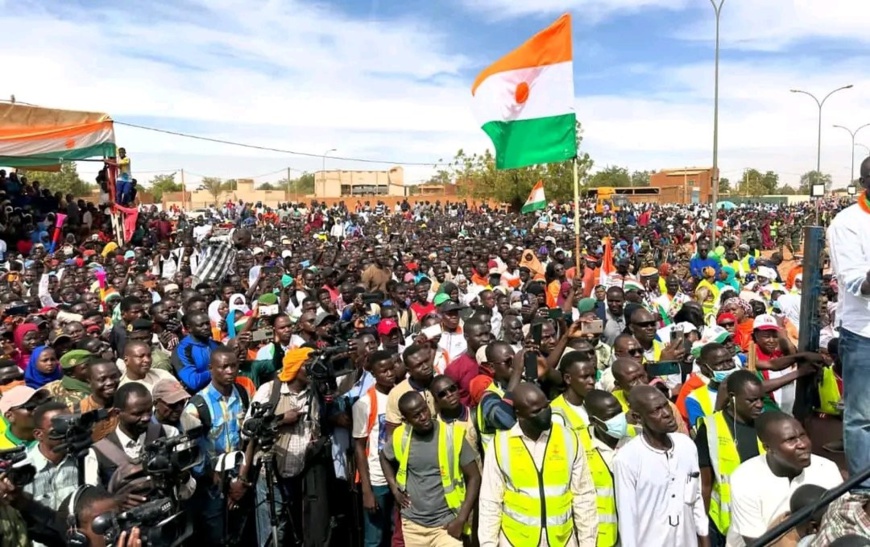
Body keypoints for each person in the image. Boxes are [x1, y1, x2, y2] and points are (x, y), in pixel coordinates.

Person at [478, 382, 597, 547]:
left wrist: (588, 543)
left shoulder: (569, 438)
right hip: (515, 541)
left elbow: (584, 495)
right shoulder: (500, 445)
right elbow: (490, 501)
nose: (545, 413)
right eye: (536, 411)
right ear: (519, 414)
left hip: (562, 540)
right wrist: (488, 544)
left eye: (546, 406)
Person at [726, 411, 842, 546]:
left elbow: (842, 521)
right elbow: (756, 542)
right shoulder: (745, 478)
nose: (802, 444)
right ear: (768, 447)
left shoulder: (826, 468)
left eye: (803, 435)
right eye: (790, 440)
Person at [380, 391, 480, 546]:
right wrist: (394, 488)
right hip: (413, 527)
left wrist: (461, 519)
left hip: (446, 525)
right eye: (416, 415)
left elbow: (474, 477)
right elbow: (384, 457)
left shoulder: (452, 435)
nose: (423, 417)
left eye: (424, 409)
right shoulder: (401, 436)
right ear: (406, 420)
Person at [613, 385, 710, 547]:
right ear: (638, 417)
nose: (667, 413)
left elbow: (696, 499)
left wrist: (704, 538)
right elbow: (627, 518)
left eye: (666, 405)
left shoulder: (686, 445)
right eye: (656, 410)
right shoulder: (626, 458)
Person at [828, 157, 870, 495]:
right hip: (864, 334)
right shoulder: (847, 223)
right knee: (862, 417)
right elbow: (857, 282)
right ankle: (863, 491)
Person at [695, 370, 765, 545]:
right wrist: (702, 531)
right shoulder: (710, 427)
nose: (759, 405)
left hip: (759, 515)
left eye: (761, 399)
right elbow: (705, 484)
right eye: (752, 400)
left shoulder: (766, 426)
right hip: (722, 522)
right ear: (733, 397)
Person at [352, 351, 396, 547]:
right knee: (374, 538)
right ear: (374, 374)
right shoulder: (364, 403)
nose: (389, 374)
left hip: (401, 476)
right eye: (383, 371)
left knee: (397, 533)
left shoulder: (401, 395)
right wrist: (366, 490)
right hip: (377, 478)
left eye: (391, 369)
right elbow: (360, 448)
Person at [585, 389, 630, 547]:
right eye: (611, 416)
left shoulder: (637, 437)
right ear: (594, 421)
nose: (619, 419)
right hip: (600, 538)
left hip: (635, 534)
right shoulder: (580, 447)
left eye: (619, 412)